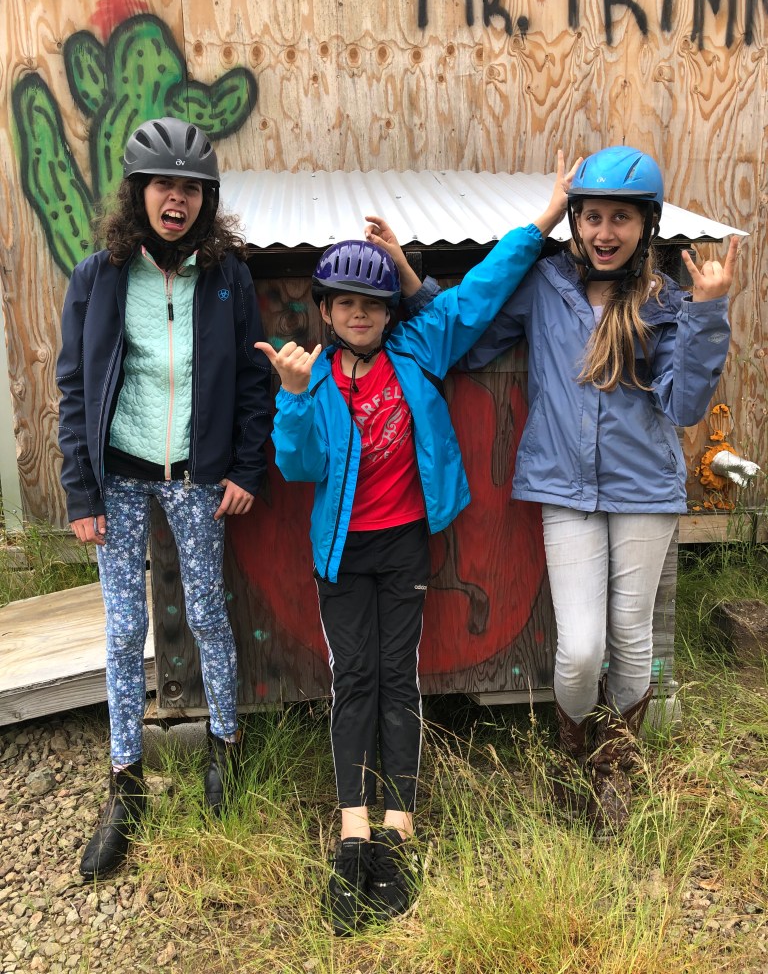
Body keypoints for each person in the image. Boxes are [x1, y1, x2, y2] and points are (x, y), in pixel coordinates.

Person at [254, 153, 578, 935]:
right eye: (345, 303)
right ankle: (352, 834)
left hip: (404, 547)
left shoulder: (418, 348)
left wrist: (547, 218)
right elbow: (299, 467)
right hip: (341, 556)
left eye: (373, 303)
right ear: (325, 310)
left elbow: (482, 291)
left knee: (398, 678)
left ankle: (398, 832)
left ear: (388, 309)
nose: (360, 314)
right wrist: (293, 399)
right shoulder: (314, 378)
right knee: (353, 681)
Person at [408, 145, 740, 834]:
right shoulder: (544, 286)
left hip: (644, 491)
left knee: (632, 637)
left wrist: (708, 314)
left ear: (646, 225)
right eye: (592, 217)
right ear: (575, 221)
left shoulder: (665, 301)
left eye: (621, 218)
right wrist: (415, 290)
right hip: (564, 488)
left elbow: (682, 406)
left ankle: (611, 768)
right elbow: (470, 338)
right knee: (582, 647)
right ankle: (572, 754)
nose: (604, 232)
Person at [57, 117, 272, 878]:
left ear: (206, 200)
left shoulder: (227, 278)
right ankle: (125, 784)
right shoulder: (99, 277)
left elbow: (254, 380)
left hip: (197, 475)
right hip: (117, 477)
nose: (176, 201)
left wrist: (246, 468)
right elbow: (74, 389)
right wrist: (81, 491)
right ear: (137, 192)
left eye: (191, 189)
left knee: (209, 613)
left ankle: (224, 749)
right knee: (123, 631)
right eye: (162, 186)